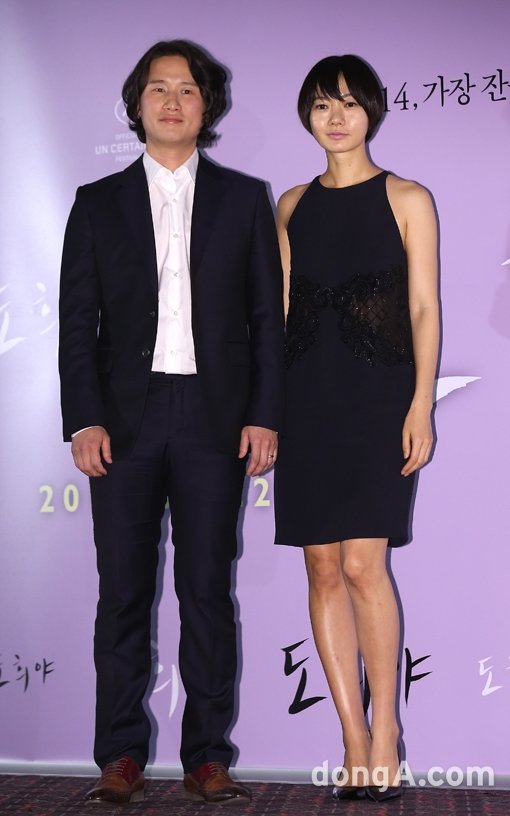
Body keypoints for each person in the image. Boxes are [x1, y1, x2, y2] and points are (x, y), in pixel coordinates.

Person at [59, 39, 284, 805]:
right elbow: (77, 323)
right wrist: (84, 420)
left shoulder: (244, 199)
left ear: (206, 105)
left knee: (207, 591)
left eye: (187, 89)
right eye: (158, 88)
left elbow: (267, 319)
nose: (172, 101)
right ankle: (119, 755)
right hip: (123, 420)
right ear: (137, 103)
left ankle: (208, 756)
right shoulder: (97, 202)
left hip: (214, 418)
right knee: (122, 592)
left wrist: (264, 415)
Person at [274, 55, 439, 802]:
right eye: (321, 105)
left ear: (371, 110)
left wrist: (420, 403)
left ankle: (386, 732)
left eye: (348, 103)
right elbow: (280, 313)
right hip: (304, 401)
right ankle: (349, 736)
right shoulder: (290, 205)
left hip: (378, 401)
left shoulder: (408, 198)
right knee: (321, 568)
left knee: (366, 566)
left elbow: (424, 308)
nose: (335, 117)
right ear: (307, 117)